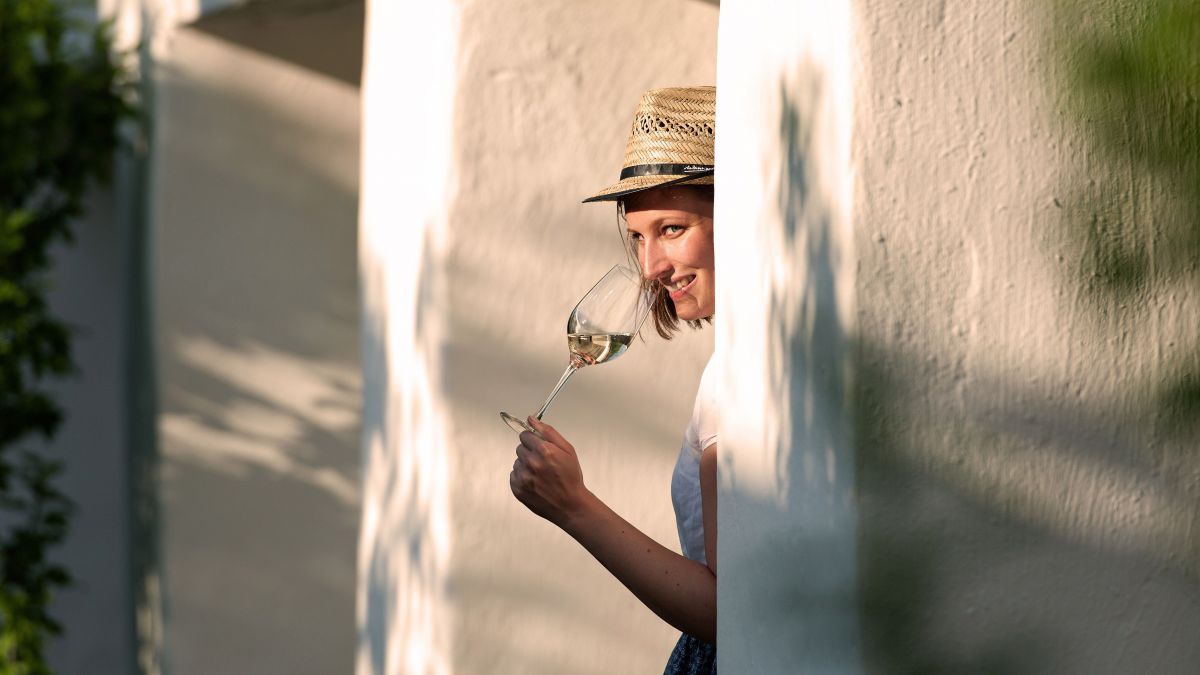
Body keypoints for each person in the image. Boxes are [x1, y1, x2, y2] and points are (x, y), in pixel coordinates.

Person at [508, 86, 719, 674]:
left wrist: (573, 505)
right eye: (638, 238)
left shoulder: (737, 380)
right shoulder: (744, 363)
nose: (649, 267)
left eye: (671, 228)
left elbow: (726, 612)